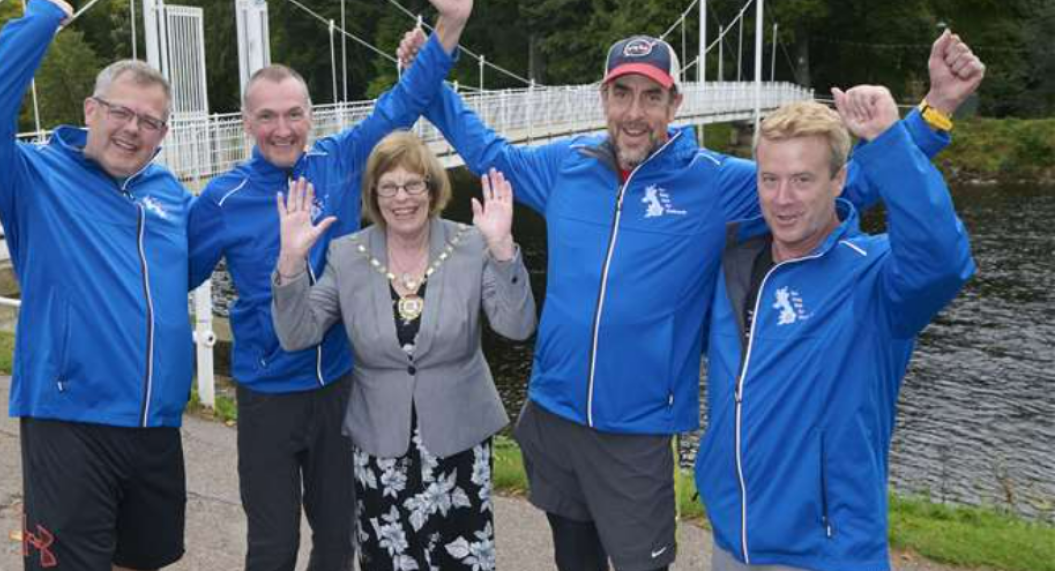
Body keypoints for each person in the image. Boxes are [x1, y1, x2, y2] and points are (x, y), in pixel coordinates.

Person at [395, 28, 985, 571]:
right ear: (603, 99)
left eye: (650, 97)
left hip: (638, 431)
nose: (633, 112)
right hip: (553, 415)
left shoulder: (720, 182)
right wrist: (429, 81)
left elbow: (829, 186)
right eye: (620, 94)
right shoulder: (564, 166)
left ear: (675, 105)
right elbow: (488, 153)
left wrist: (930, 118)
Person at [186, 0, 475, 571]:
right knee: (272, 545)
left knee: (340, 539)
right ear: (246, 123)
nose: (282, 129)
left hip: (341, 387)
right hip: (268, 395)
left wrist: (450, 23)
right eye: (267, 117)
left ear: (310, 116)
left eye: (293, 114)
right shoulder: (221, 199)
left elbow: (407, 100)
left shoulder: (341, 163)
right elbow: (167, 279)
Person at [0, 0, 194, 571]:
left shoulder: (169, 197)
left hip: (156, 424)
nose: (133, 129)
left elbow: (192, 267)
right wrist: (39, 22)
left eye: (150, 121)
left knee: (145, 559)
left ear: (163, 133)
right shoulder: (34, 178)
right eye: (121, 112)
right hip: (71, 419)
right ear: (91, 110)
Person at [694, 87, 976, 571]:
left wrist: (889, 139)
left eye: (803, 179)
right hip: (732, 541)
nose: (782, 199)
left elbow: (942, 261)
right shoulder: (734, 265)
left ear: (840, 179)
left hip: (827, 554)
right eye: (770, 179)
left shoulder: (875, 278)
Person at [270, 132, 536, 570]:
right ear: (373, 194)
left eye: (414, 185)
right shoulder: (347, 254)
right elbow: (297, 334)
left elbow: (517, 326)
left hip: (459, 447)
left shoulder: (470, 244)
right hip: (380, 448)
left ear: (433, 189)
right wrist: (291, 263)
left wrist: (503, 249)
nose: (402, 198)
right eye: (388, 186)